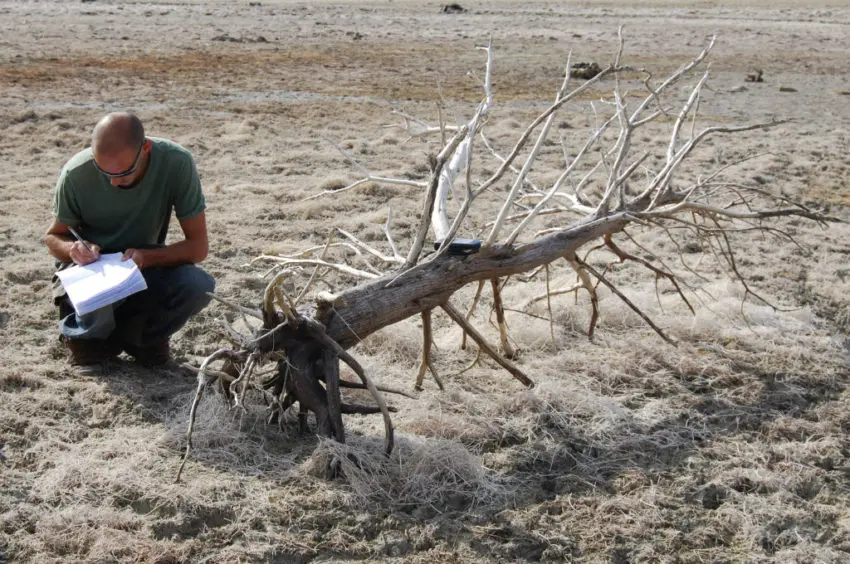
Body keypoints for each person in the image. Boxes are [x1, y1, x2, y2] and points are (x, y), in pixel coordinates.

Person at [45, 112, 215, 368]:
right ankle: (87, 342)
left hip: (143, 269)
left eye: (124, 174)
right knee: (96, 306)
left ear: (145, 148)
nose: (114, 182)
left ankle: (145, 340)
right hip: (90, 272)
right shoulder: (75, 172)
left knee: (199, 285)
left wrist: (147, 258)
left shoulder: (176, 163)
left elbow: (198, 247)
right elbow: (53, 236)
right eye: (104, 172)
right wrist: (73, 249)